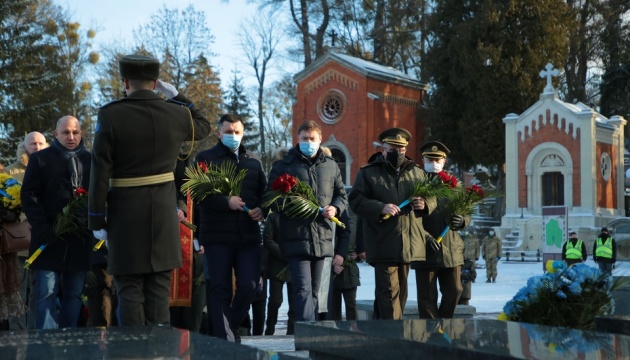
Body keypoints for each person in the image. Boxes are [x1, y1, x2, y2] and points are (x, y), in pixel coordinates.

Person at [88, 54, 211, 326]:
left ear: (125, 81)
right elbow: (203, 126)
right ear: (156, 83)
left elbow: (99, 172)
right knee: (158, 290)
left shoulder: (110, 114)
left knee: (129, 289)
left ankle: (133, 352)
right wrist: (179, 96)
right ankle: (160, 352)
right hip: (163, 215)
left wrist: (96, 218)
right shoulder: (177, 113)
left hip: (125, 213)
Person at [349, 127, 436, 320]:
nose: (397, 152)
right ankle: (396, 338)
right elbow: (355, 200)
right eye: (392, 148)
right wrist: (380, 207)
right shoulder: (369, 173)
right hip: (383, 242)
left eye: (401, 148)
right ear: (383, 148)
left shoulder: (417, 173)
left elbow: (432, 197)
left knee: (400, 295)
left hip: (408, 242)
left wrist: (424, 204)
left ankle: (380, 329)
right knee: (389, 293)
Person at [266, 120, 347, 322]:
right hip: (296, 237)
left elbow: (342, 195)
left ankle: (310, 335)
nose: (308, 142)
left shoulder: (331, 165)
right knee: (302, 289)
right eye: (304, 138)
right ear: (298, 139)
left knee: (316, 292)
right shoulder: (283, 166)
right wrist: (296, 206)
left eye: (312, 138)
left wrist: (335, 207)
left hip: (323, 237)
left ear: (320, 140)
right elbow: (270, 199)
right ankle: (305, 339)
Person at [196, 114, 266, 342]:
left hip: (248, 238)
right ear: (218, 133)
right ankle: (225, 341)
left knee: (250, 285)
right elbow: (200, 196)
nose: (233, 136)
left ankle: (225, 326)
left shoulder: (253, 162)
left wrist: (262, 210)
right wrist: (226, 202)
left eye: (237, 132)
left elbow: (264, 195)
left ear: (243, 134)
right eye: (228, 132)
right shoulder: (205, 158)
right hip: (217, 237)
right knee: (219, 289)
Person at [21, 116, 93, 330]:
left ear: (81, 133)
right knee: (46, 293)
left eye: (76, 132)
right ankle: (46, 342)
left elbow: (100, 194)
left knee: (74, 294)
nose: (71, 137)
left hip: (79, 238)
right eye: (66, 132)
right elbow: (29, 195)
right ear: (56, 134)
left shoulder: (91, 160)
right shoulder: (40, 159)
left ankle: (68, 338)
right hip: (49, 237)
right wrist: (42, 228)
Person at [412, 141, 469, 319]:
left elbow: (466, 212)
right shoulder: (415, 184)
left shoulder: (455, 185)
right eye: (430, 158)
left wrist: (463, 221)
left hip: (451, 249)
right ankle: (432, 334)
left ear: (444, 162)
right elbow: (410, 218)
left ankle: (442, 327)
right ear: (423, 160)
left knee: (455, 290)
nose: (434, 162)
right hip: (425, 248)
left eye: (438, 159)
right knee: (427, 297)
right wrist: (426, 237)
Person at [5, 131, 48, 330]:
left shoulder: (51, 167)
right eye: (33, 143)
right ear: (24, 146)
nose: (37, 147)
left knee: (41, 291)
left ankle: (35, 331)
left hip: (44, 240)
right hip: (19, 241)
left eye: (40, 143)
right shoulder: (10, 172)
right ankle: (17, 333)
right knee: (17, 290)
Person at [331, 210, 362, 321]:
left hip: (350, 272)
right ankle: (337, 330)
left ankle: (354, 327)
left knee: (351, 304)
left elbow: (360, 246)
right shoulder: (330, 225)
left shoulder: (354, 225)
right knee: (334, 306)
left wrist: (357, 256)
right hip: (333, 273)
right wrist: (332, 265)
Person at [458, 230, 479, 305]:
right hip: (453, 295)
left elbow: (473, 275)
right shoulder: (454, 263)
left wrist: (461, 274)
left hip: (465, 294)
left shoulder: (469, 264)